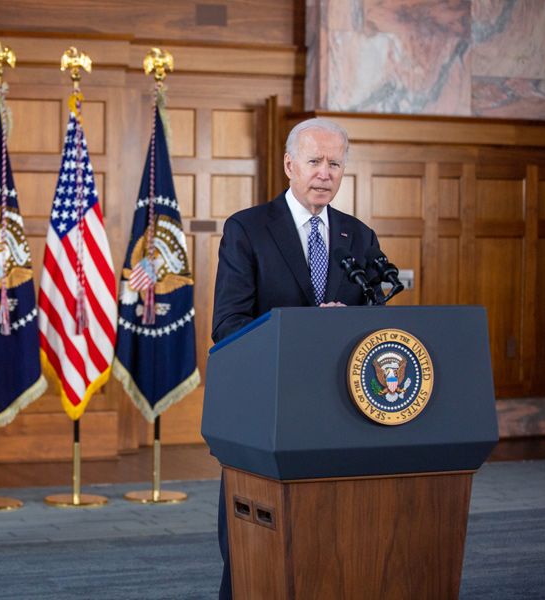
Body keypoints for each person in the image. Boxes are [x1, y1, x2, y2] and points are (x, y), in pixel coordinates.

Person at [210, 118, 383, 598]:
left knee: (333, 548)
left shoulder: (359, 237)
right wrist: (303, 332)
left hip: (340, 416)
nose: (325, 173)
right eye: (315, 162)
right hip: (268, 414)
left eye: (335, 163)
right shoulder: (247, 229)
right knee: (258, 557)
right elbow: (227, 326)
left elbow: (377, 324)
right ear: (289, 165)